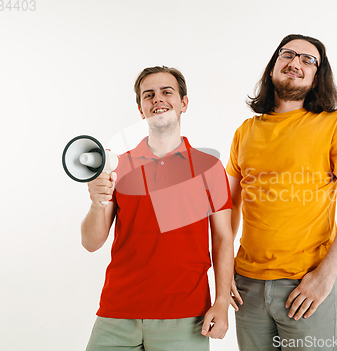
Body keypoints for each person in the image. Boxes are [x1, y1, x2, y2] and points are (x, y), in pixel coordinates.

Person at [227, 34, 337, 350]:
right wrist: (225, 266)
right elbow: (228, 205)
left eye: (308, 59)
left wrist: (324, 277)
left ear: (317, 77)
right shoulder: (245, 131)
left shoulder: (335, 124)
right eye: (287, 54)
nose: (295, 62)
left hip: (306, 287)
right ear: (273, 67)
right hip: (247, 288)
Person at [81, 66, 234, 351]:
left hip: (186, 316)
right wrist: (96, 203)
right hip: (117, 313)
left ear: (183, 103)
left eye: (167, 92)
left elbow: (223, 237)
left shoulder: (209, 168)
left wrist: (222, 301)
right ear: (140, 108)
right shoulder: (118, 166)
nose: (158, 100)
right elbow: (91, 243)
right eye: (148, 95)